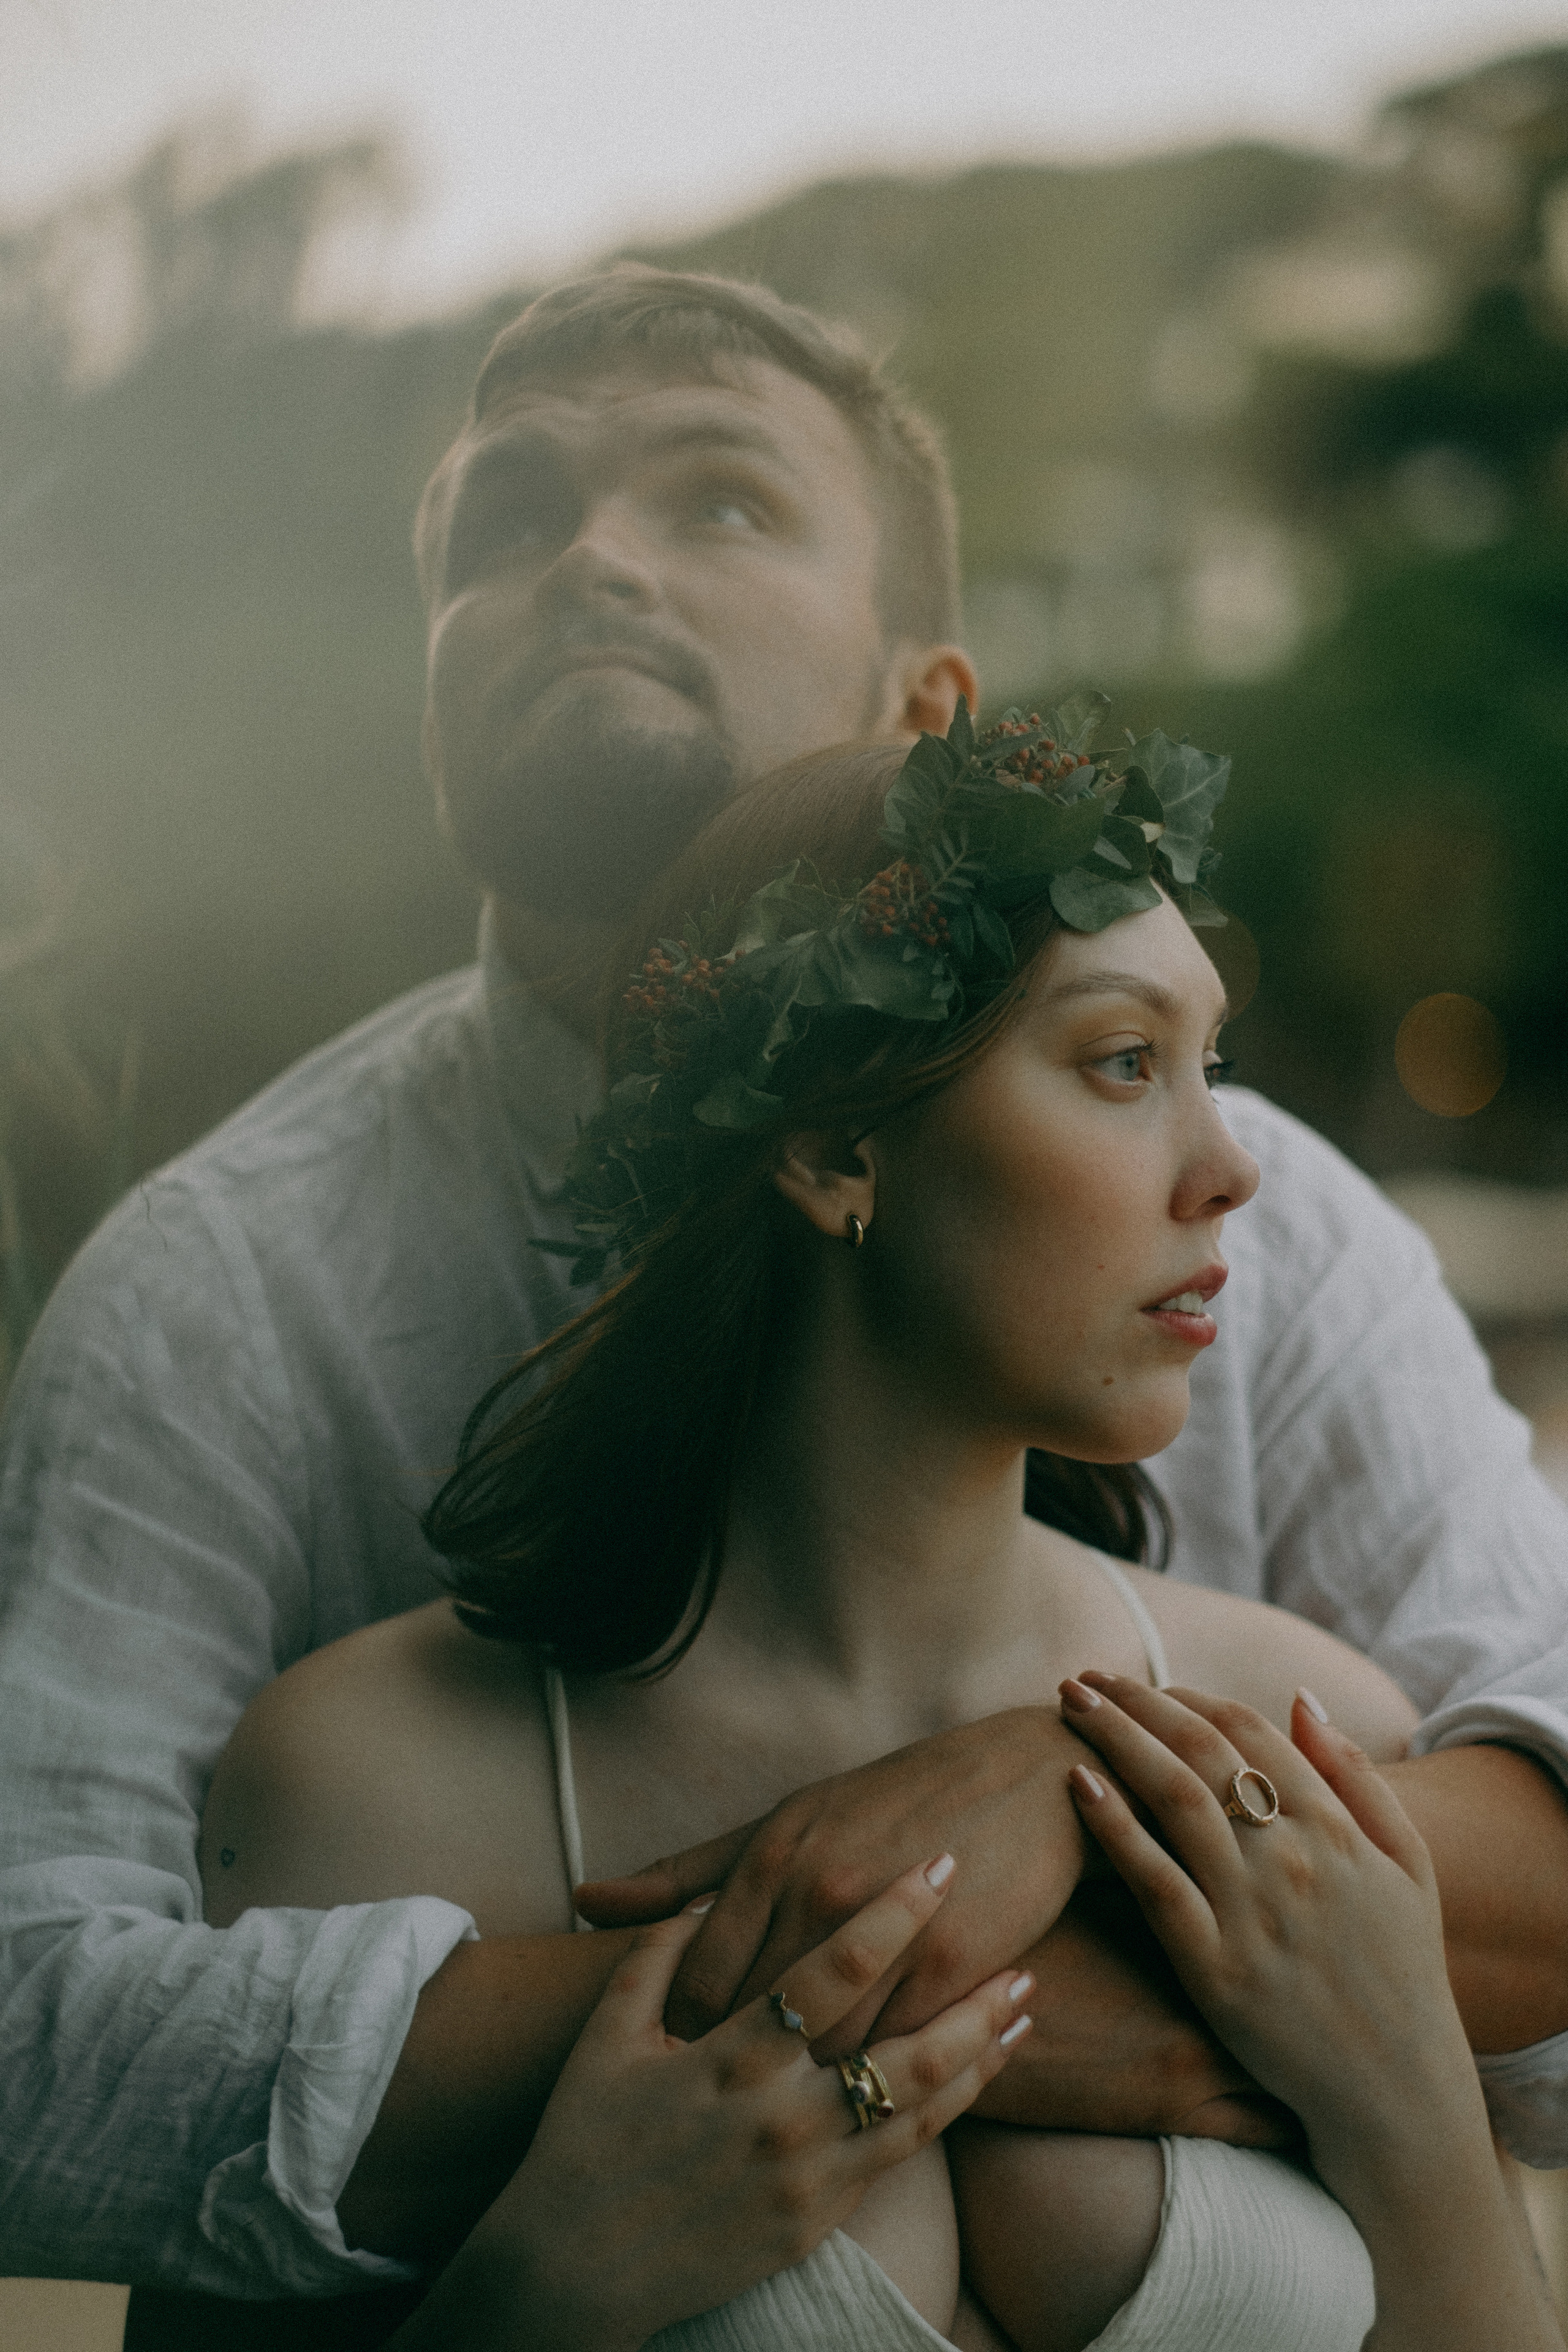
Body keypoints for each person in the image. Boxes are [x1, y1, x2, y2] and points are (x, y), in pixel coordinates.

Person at [2, 268, 1567, 2303]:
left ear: (934, 722)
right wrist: (930, 1997)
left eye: (720, 503)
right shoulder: (219, 1298)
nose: (589, 562)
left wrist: (1080, 1797)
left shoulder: (1299, 1249)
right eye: (509, 518)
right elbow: (32, 2052)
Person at [186, 723, 1562, 2350]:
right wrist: (542, 2286)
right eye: (1125, 1062)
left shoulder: (1302, 1739)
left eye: (1218, 1067)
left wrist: (1402, 2096)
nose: (1230, 1168)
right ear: (838, 1147)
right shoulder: (363, 1785)